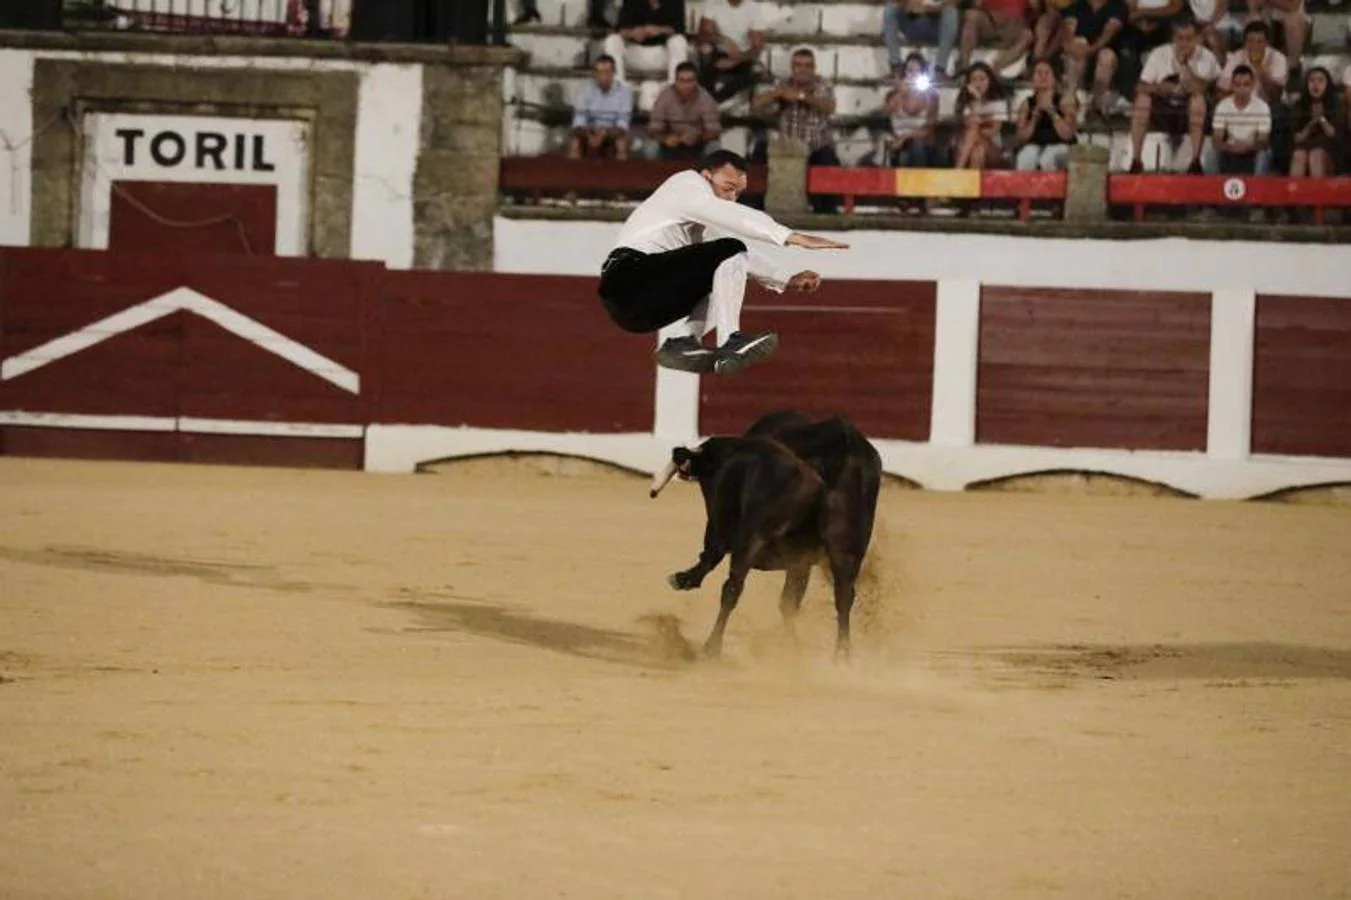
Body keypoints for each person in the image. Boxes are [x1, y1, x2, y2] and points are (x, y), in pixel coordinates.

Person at [595, 149, 849, 376]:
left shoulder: (700, 218)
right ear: (705, 176)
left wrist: (786, 278)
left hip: (640, 310)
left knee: (725, 265)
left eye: (738, 193)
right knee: (729, 251)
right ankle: (730, 340)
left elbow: (736, 254)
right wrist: (791, 236)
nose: (731, 198)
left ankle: (682, 343)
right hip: (630, 280)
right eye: (727, 188)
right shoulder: (686, 183)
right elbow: (732, 231)